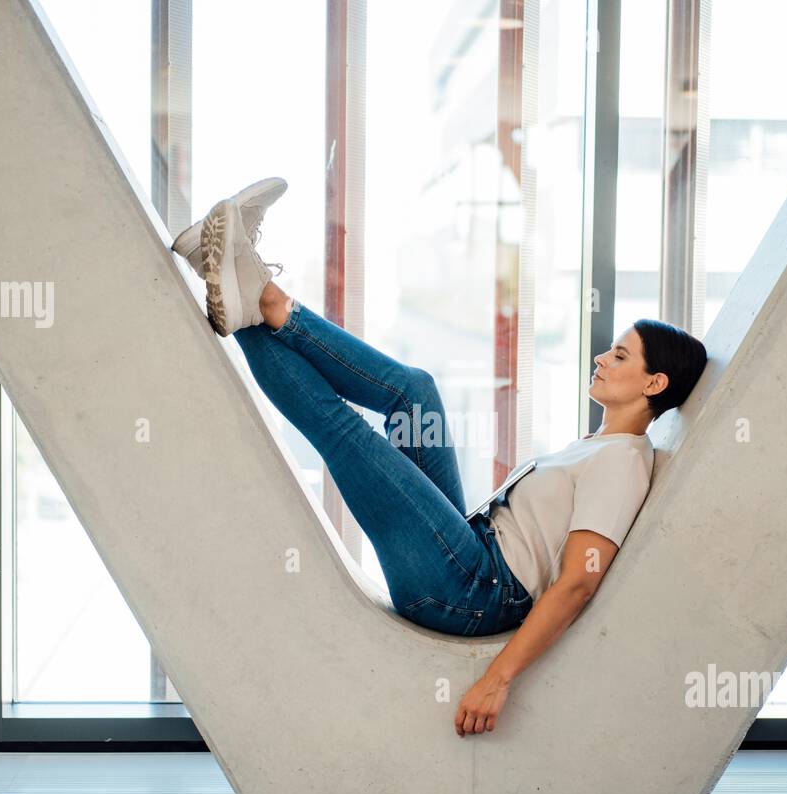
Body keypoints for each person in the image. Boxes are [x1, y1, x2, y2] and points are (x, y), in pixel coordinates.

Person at [172, 178, 708, 735]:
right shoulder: (598, 445)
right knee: (416, 393)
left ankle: (253, 293)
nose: (602, 356)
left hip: (472, 593)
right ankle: (243, 284)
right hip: (473, 550)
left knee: (348, 435)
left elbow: (578, 583)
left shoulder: (623, 464)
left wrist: (498, 678)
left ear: (655, 383)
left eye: (620, 355)